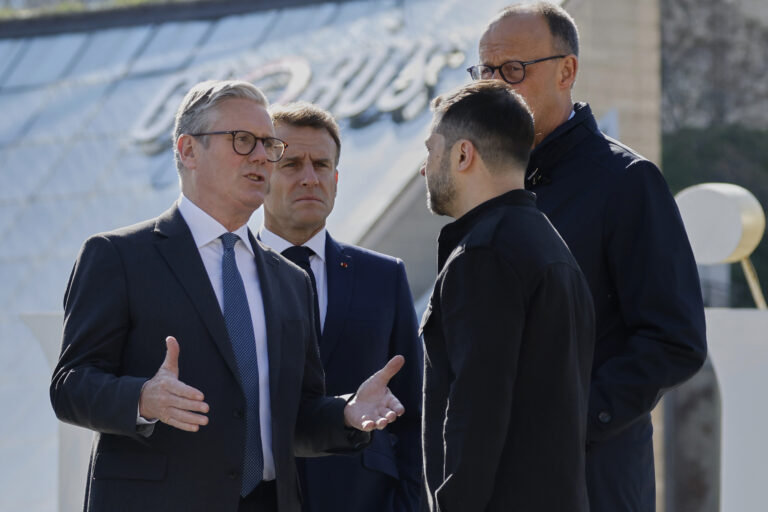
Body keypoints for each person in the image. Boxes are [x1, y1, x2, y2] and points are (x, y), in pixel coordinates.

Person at [50, 80, 408, 512]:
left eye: (268, 144)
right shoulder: (118, 256)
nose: (260, 156)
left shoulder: (291, 281)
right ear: (188, 151)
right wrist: (143, 398)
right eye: (242, 140)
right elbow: (70, 386)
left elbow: (294, 418)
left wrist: (346, 414)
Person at [472, 3, 707, 510]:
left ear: (567, 71)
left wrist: (575, 421)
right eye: (485, 71)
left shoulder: (626, 181)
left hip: (592, 482)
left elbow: (675, 339)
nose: (494, 87)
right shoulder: (485, 186)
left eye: (512, 69)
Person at [419, 80, 595, 511]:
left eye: (431, 150)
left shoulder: (484, 256)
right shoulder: (547, 244)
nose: (424, 168)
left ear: (463, 154)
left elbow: (477, 412)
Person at [258, 102, 423, 511]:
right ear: (261, 176)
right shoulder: (227, 274)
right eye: (291, 164)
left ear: (336, 178)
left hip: (364, 499)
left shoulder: (384, 276)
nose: (309, 178)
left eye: (321, 165)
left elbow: (415, 412)